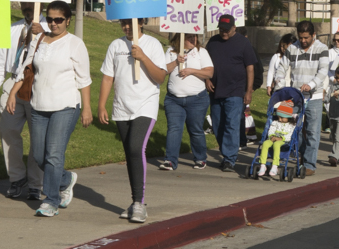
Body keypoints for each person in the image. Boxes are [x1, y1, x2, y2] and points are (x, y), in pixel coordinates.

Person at [5, 1, 92, 217]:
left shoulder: (75, 44)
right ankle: (66, 179)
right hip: (38, 105)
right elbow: (27, 68)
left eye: (59, 20)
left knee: (53, 154)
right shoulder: (40, 39)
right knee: (39, 156)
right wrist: (13, 93)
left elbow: (84, 80)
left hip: (65, 106)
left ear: (68, 20)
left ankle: (51, 200)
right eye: (50, 19)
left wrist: (87, 108)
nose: (53, 23)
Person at [98, 19, 167, 223]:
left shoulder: (152, 44)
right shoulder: (116, 45)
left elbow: (160, 77)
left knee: (137, 148)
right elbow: (107, 78)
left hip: (145, 106)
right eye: (124, 24)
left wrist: (143, 57)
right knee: (130, 153)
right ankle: (135, 201)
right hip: (122, 108)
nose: (127, 27)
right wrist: (101, 105)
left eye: (131, 23)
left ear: (142, 23)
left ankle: (139, 203)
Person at [0, 2, 47, 201]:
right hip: (13, 80)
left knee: (38, 137)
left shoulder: (51, 27)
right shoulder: (13, 29)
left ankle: (36, 184)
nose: (28, 8)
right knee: (7, 130)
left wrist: (42, 34)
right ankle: (17, 177)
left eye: (33, 4)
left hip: (37, 83)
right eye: (26, 5)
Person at [275, 21, 328, 177]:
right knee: (294, 130)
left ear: (313, 35)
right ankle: (304, 154)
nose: (303, 41)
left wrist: (311, 85)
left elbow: (323, 71)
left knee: (312, 131)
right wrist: (280, 85)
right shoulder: (292, 48)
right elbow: (281, 68)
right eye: (301, 37)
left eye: (306, 38)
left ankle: (309, 164)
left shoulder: (322, 49)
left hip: (315, 96)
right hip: (295, 96)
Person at [205, 14, 258, 173]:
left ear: (234, 27)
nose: (224, 32)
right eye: (221, 29)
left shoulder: (243, 43)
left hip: (236, 91)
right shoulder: (213, 42)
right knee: (218, 124)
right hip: (216, 91)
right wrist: (207, 80)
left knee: (231, 125)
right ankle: (226, 152)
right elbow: (205, 64)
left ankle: (229, 159)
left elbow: (250, 68)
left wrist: (248, 91)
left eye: (227, 29)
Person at [159, 33, 214, 171]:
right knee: (174, 129)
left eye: (195, 37)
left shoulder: (201, 52)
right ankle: (170, 160)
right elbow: (163, 71)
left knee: (195, 129)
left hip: (197, 99)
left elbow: (209, 73)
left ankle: (200, 158)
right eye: (189, 37)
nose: (193, 40)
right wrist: (176, 62)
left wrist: (191, 71)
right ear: (181, 38)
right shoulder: (171, 51)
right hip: (174, 100)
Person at [236, 26, 263, 146]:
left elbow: (258, 71)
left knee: (239, 115)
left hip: (243, 89)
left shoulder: (251, 50)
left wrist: (251, 88)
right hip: (229, 87)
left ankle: (241, 140)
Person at [257, 100, 296, 178]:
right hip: (273, 138)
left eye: (282, 117)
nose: (280, 119)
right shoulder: (275, 122)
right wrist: (271, 136)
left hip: (284, 141)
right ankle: (262, 164)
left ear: (288, 117)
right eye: (278, 117)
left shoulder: (291, 125)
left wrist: (281, 138)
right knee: (265, 143)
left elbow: (290, 135)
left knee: (277, 144)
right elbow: (271, 130)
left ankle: (275, 165)